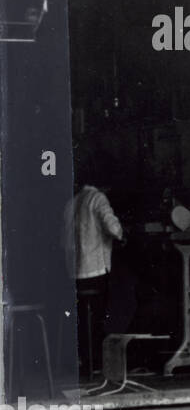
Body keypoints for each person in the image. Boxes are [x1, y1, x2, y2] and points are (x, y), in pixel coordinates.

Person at [64, 160, 125, 378]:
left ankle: (84, 361)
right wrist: (121, 233)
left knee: (82, 318)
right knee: (99, 316)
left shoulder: (72, 202)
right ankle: (97, 363)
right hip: (95, 270)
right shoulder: (97, 198)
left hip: (74, 272)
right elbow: (112, 227)